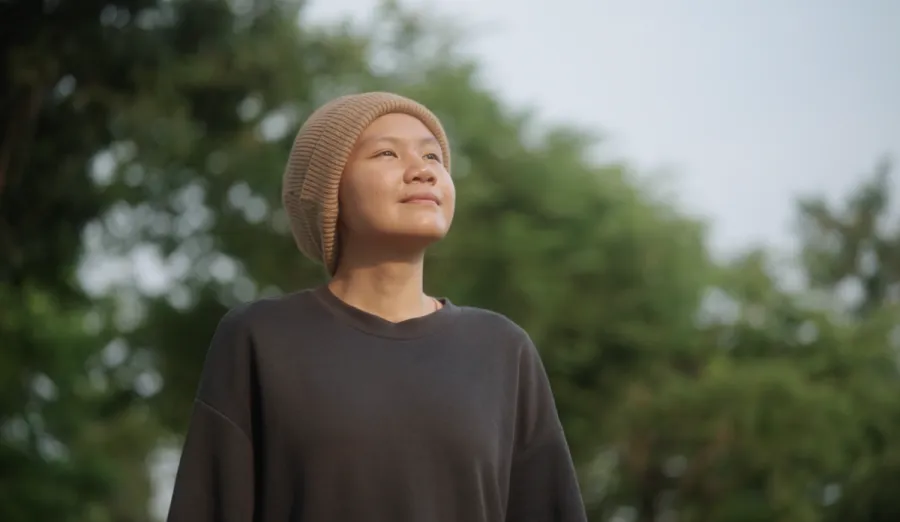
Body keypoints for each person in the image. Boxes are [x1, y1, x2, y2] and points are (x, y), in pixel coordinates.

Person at [166, 92, 588, 522]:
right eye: (387, 153)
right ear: (331, 191)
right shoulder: (260, 338)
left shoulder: (502, 349)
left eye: (434, 157)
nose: (423, 171)